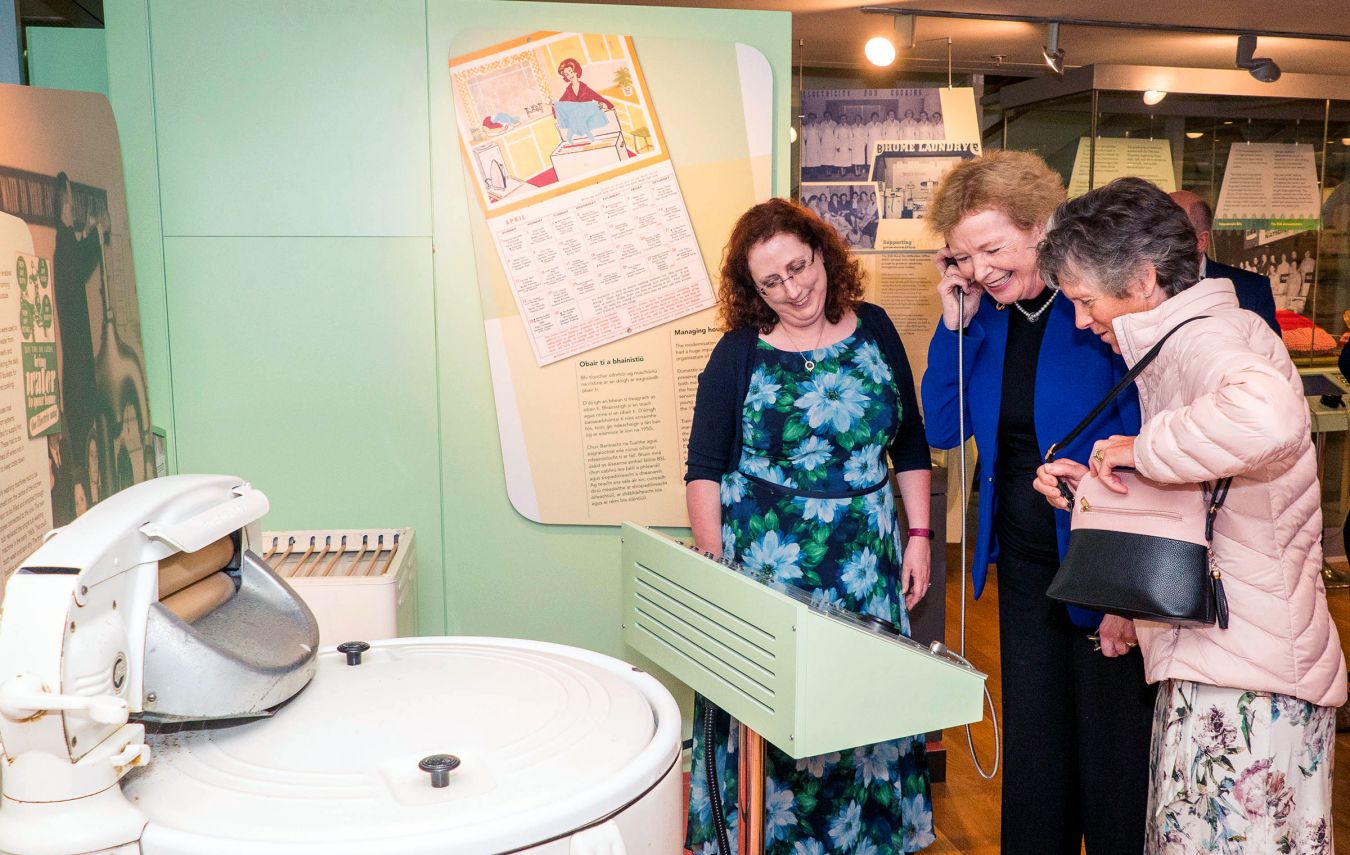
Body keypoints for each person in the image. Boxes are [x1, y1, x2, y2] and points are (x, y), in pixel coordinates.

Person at [1034, 177, 1345, 854]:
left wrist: (1141, 450)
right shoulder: (1183, 342)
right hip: (1226, 659)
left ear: (1143, 278)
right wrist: (1102, 479)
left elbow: (1267, 419)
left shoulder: (1209, 337)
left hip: (1248, 675)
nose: (1081, 321)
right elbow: (1213, 501)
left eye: (1085, 300)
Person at [920, 150, 1155, 855]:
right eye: (965, 256)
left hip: (1103, 560)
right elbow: (938, 426)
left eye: (993, 248)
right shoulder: (982, 318)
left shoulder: (1094, 312)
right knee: (1034, 753)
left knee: (1113, 755)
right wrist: (951, 324)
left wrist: (1130, 589)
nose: (983, 269)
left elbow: (1152, 434)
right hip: (1024, 566)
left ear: (1041, 228)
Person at [686, 198, 935, 853]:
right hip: (770, 574)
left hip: (865, 569)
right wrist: (714, 573)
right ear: (753, 289)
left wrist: (920, 535)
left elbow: (909, 442)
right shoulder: (739, 352)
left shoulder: (876, 327)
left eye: (799, 267)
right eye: (771, 281)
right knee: (780, 721)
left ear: (824, 253)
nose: (793, 290)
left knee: (862, 713)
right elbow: (703, 468)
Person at [1168, 190, 1279, 335]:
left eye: (1170, 233)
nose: (1155, 240)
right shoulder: (1138, 289)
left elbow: (1269, 355)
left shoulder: (1252, 290)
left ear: (1201, 241)